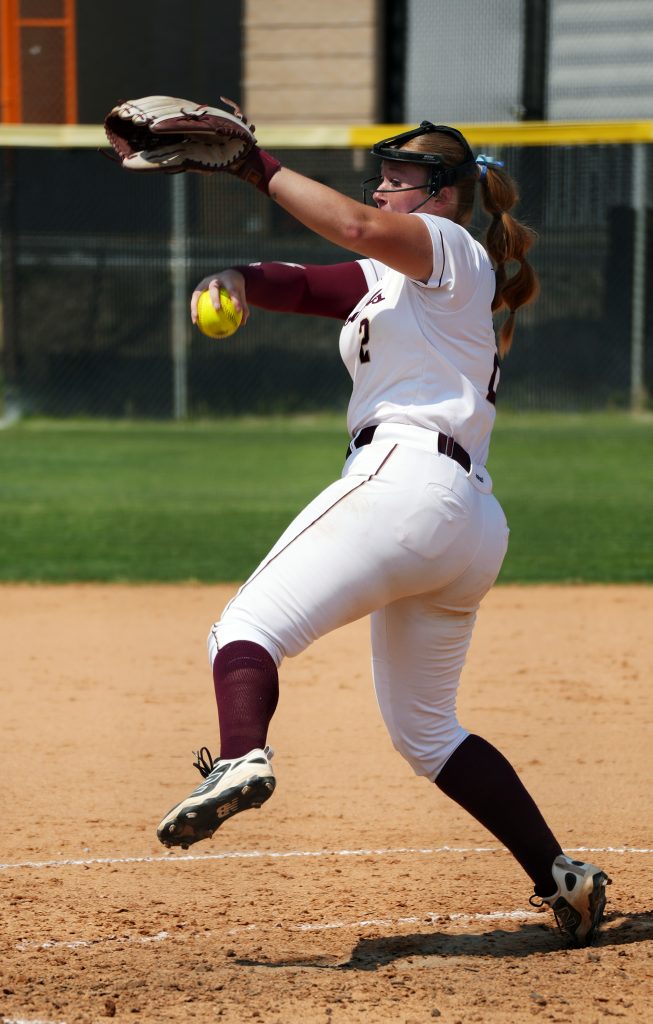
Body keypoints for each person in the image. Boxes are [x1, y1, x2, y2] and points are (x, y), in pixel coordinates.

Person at [156, 117, 610, 946]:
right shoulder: (396, 277)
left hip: (404, 481)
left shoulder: (448, 246)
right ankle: (561, 876)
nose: (380, 189)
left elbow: (357, 228)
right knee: (426, 732)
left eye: (397, 178)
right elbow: (307, 284)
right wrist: (238, 276)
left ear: (442, 193)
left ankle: (241, 755)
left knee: (245, 627)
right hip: (464, 521)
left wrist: (256, 167)